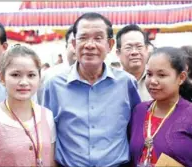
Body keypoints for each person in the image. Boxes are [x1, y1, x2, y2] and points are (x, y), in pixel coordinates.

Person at [43, 12, 141, 167]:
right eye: (83, 38)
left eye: (98, 38)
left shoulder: (126, 83)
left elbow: (135, 130)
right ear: (74, 45)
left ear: (110, 45)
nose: (90, 45)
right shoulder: (54, 85)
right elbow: (46, 135)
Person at [0, 45, 56, 167]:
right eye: (15, 75)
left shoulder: (47, 116)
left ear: (39, 78)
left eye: (31, 75)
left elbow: (51, 162)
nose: (24, 82)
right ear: (2, 78)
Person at [130, 47, 192, 167]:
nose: (153, 81)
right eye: (149, 74)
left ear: (181, 77)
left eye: (161, 75)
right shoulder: (139, 111)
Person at [38, 25, 76, 104]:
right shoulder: (48, 77)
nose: (81, 47)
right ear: (66, 47)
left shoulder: (106, 78)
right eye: (74, 43)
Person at [116, 24, 152, 101]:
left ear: (146, 49)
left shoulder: (157, 79)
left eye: (139, 47)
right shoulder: (111, 82)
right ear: (118, 53)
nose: (134, 52)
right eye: (128, 47)